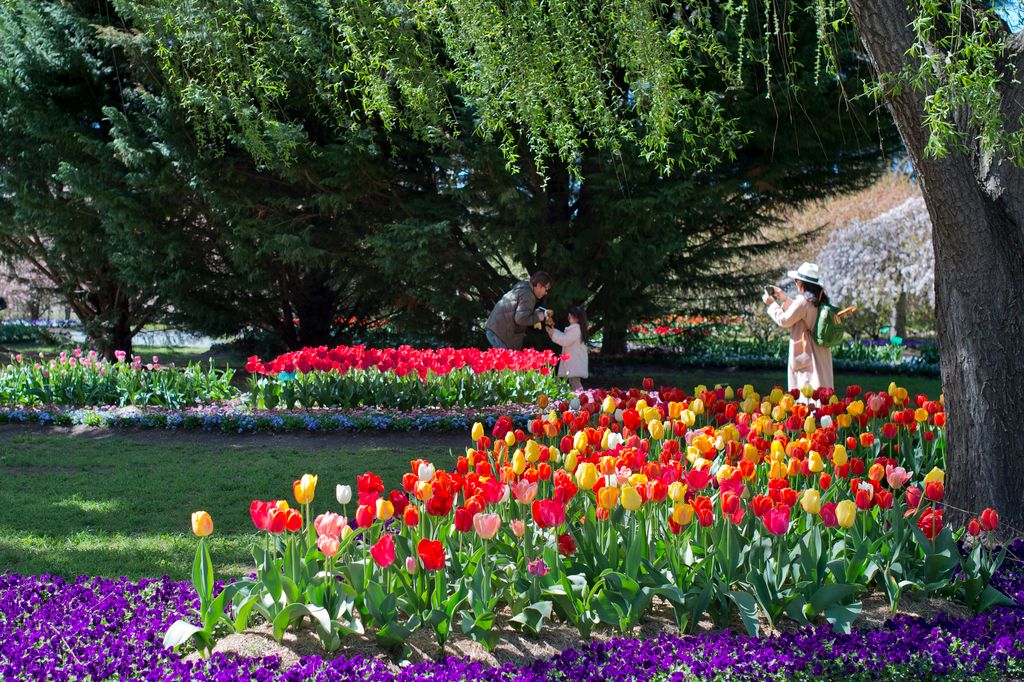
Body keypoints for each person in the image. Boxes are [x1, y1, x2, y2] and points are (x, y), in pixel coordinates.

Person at [763, 262, 834, 391]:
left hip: (807, 352)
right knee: (822, 388)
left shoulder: (803, 301)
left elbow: (784, 320)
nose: (796, 283)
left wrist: (772, 304)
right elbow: (801, 314)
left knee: (808, 390)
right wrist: (785, 299)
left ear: (802, 283)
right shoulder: (819, 299)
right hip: (821, 350)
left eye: (796, 280)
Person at [485, 272, 553, 350]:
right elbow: (521, 319)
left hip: (495, 329)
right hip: (500, 333)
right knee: (506, 361)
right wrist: (538, 318)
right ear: (538, 285)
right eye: (546, 289)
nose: (546, 293)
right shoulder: (528, 295)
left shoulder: (524, 289)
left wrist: (533, 314)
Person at [546, 304, 589, 390]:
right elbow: (565, 337)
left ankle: (582, 400)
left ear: (577, 318)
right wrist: (553, 331)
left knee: (575, 384)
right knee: (573, 383)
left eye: (571, 317)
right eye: (569, 317)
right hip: (575, 362)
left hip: (574, 362)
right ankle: (578, 400)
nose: (569, 319)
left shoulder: (576, 329)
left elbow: (565, 340)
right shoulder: (577, 328)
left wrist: (552, 333)